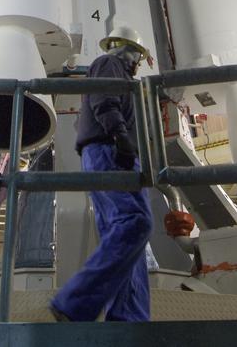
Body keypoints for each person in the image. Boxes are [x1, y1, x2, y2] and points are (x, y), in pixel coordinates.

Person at [49, 25, 153, 322]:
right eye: (138, 57)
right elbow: (103, 99)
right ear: (130, 51)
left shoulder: (118, 70)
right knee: (136, 222)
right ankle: (74, 303)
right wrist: (120, 135)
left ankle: (127, 316)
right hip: (110, 150)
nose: (138, 64)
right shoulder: (110, 64)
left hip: (107, 151)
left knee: (122, 235)